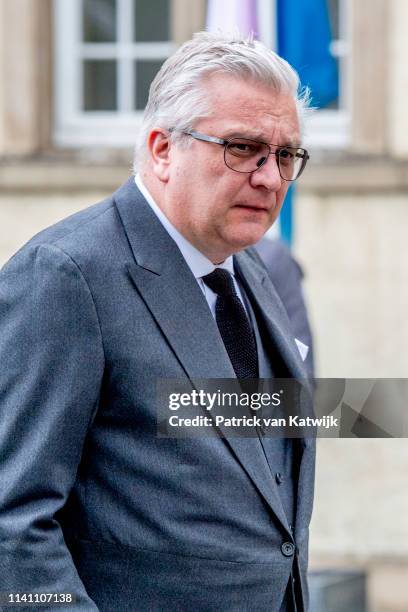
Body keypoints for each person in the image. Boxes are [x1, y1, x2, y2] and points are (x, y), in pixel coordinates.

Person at [0, 32, 315, 611]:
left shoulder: (249, 267)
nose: (270, 178)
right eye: (243, 148)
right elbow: (12, 517)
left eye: (286, 155)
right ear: (163, 149)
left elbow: (247, 459)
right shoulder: (65, 275)